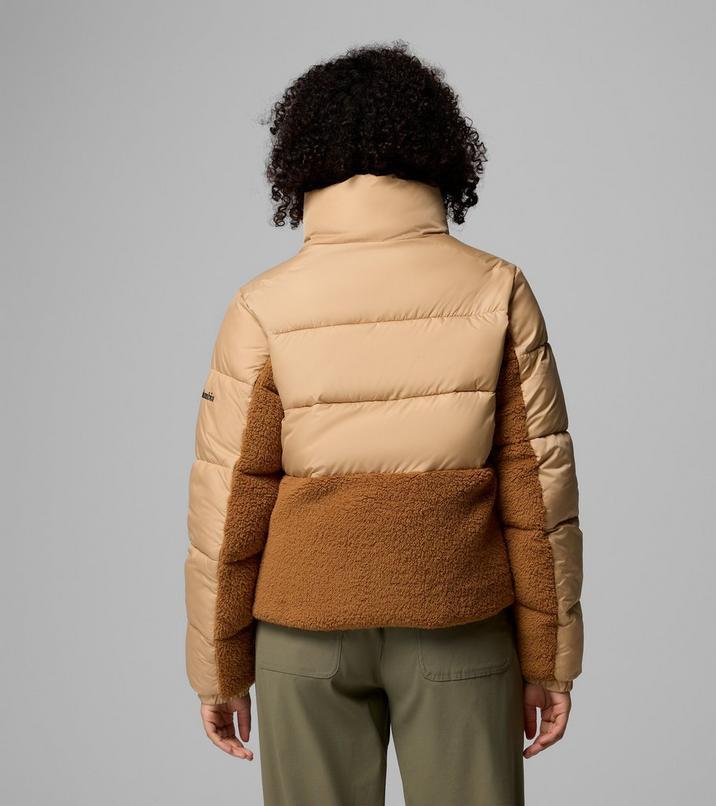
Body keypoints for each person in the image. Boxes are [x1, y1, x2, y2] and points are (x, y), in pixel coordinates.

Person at [184, 40, 584, 806]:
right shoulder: (496, 289)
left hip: (303, 633)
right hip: (457, 620)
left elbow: (229, 503)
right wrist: (548, 661)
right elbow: (539, 496)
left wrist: (219, 668)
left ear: (301, 154)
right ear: (441, 148)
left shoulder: (263, 304)